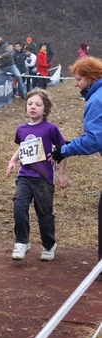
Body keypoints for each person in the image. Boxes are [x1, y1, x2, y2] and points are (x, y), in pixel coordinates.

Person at [6, 88, 69, 261]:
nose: (33, 107)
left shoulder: (51, 129)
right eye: (30, 104)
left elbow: (63, 150)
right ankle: (21, 242)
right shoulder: (21, 129)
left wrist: (61, 174)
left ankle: (49, 245)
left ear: (45, 109)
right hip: (25, 176)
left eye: (38, 104)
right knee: (19, 205)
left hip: (44, 179)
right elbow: (22, 147)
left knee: (44, 213)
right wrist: (13, 161)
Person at [50, 56, 102, 261]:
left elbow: (94, 140)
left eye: (79, 79)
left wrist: (64, 150)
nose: (76, 84)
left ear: (90, 78)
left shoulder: (96, 101)